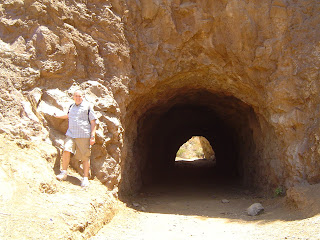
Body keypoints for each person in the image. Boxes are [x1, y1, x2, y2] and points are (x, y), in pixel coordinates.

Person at [54, 90, 97, 187]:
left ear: (83, 96)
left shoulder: (88, 107)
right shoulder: (71, 106)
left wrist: (92, 136)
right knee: (66, 150)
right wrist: (57, 116)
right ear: (73, 97)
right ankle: (64, 172)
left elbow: (93, 122)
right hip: (71, 134)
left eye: (79, 96)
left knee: (85, 157)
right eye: (76, 96)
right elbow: (68, 116)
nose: (77, 98)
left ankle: (85, 179)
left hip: (83, 135)